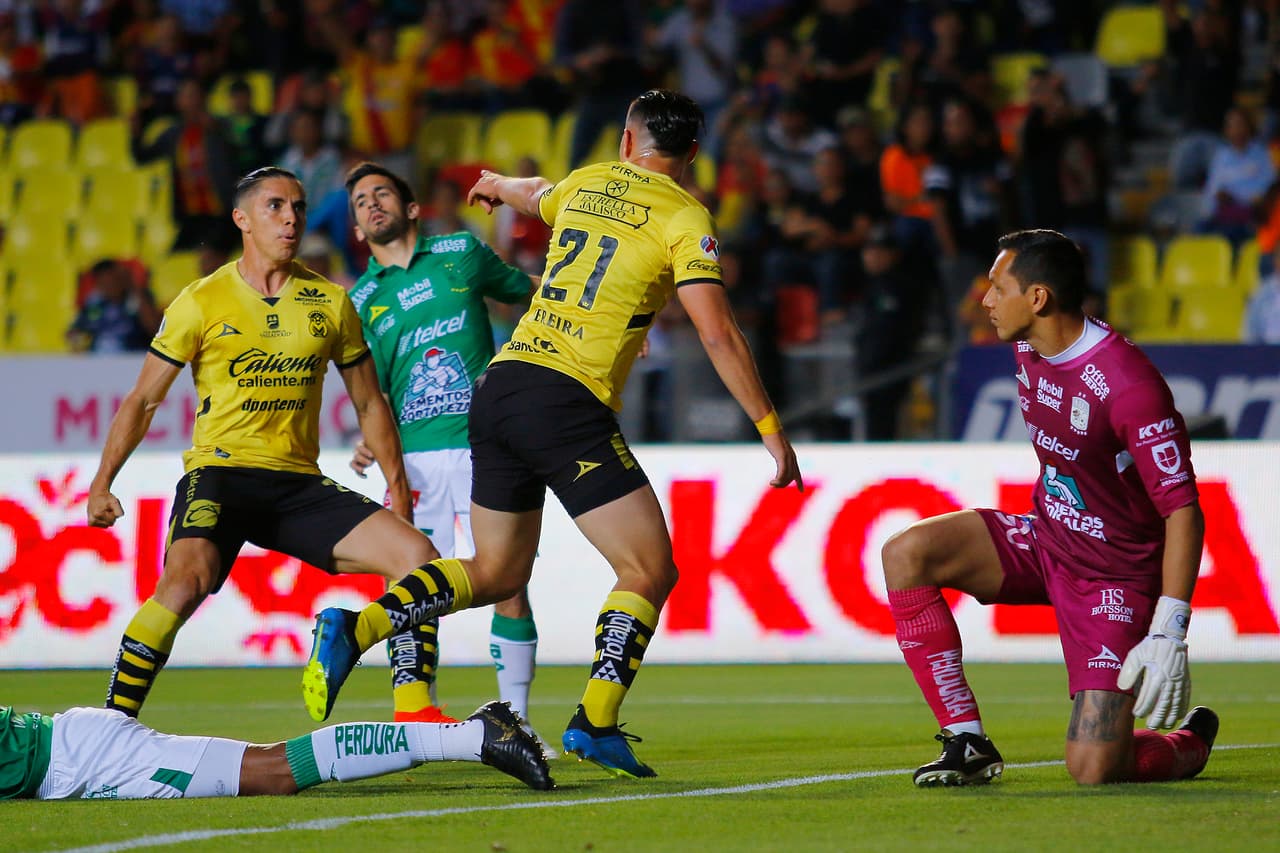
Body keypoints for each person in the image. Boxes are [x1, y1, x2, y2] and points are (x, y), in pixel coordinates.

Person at [302, 90, 803, 779]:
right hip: (565, 399)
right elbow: (716, 331)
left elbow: (536, 192)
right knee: (649, 568)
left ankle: (355, 627)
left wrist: (495, 184)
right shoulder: (686, 217)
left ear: (626, 142)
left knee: (496, 572)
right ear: (692, 153)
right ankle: (594, 720)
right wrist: (770, 428)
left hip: (498, 389)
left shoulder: (588, 183)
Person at [85, 167, 443, 724]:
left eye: (298, 207)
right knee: (183, 583)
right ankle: (110, 726)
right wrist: (102, 482)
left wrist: (399, 491)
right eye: (275, 206)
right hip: (221, 474)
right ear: (242, 219)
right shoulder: (201, 301)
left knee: (418, 558)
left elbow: (369, 403)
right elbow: (143, 400)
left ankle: (414, 710)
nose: (291, 218)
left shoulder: (330, 302)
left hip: (297, 483)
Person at [880, 229, 1219, 787]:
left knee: (1093, 768)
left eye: (998, 287)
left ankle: (1189, 742)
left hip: (1114, 575)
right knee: (907, 553)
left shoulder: (1129, 386)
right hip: (1047, 539)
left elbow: (1183, 508)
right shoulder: (1026, 346)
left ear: (1038, 298)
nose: (985, 300)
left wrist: (1169, 628)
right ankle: (967, 740)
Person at [342, 161, 550, 749]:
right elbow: (373, 394)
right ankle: (418, 715)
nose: (372, 203)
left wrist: (596, 323)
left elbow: (529, 292)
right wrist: (374, 438)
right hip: (415, 460)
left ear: (411, 208)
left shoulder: (461, 251)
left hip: (488, 446)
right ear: (356, 228)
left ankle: (518, 721)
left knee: (509, 581)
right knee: (411, 585)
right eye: (361, 201)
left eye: (383, 193)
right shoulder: (359, 302)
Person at [0, 700, 553, 800]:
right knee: (274, 769)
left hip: (77, 758)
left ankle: (473, 736)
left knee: (276, 771)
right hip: (65, 753)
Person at [67, 259, 163, 353]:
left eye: (114, 280)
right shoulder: (95, 305)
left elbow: (153, 328)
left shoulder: (138, 298)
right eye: (104, 282)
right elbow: (76, 331)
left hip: (132, 356)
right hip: (98, 358)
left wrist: (135, 289)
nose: (110, 285)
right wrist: (77, 337)